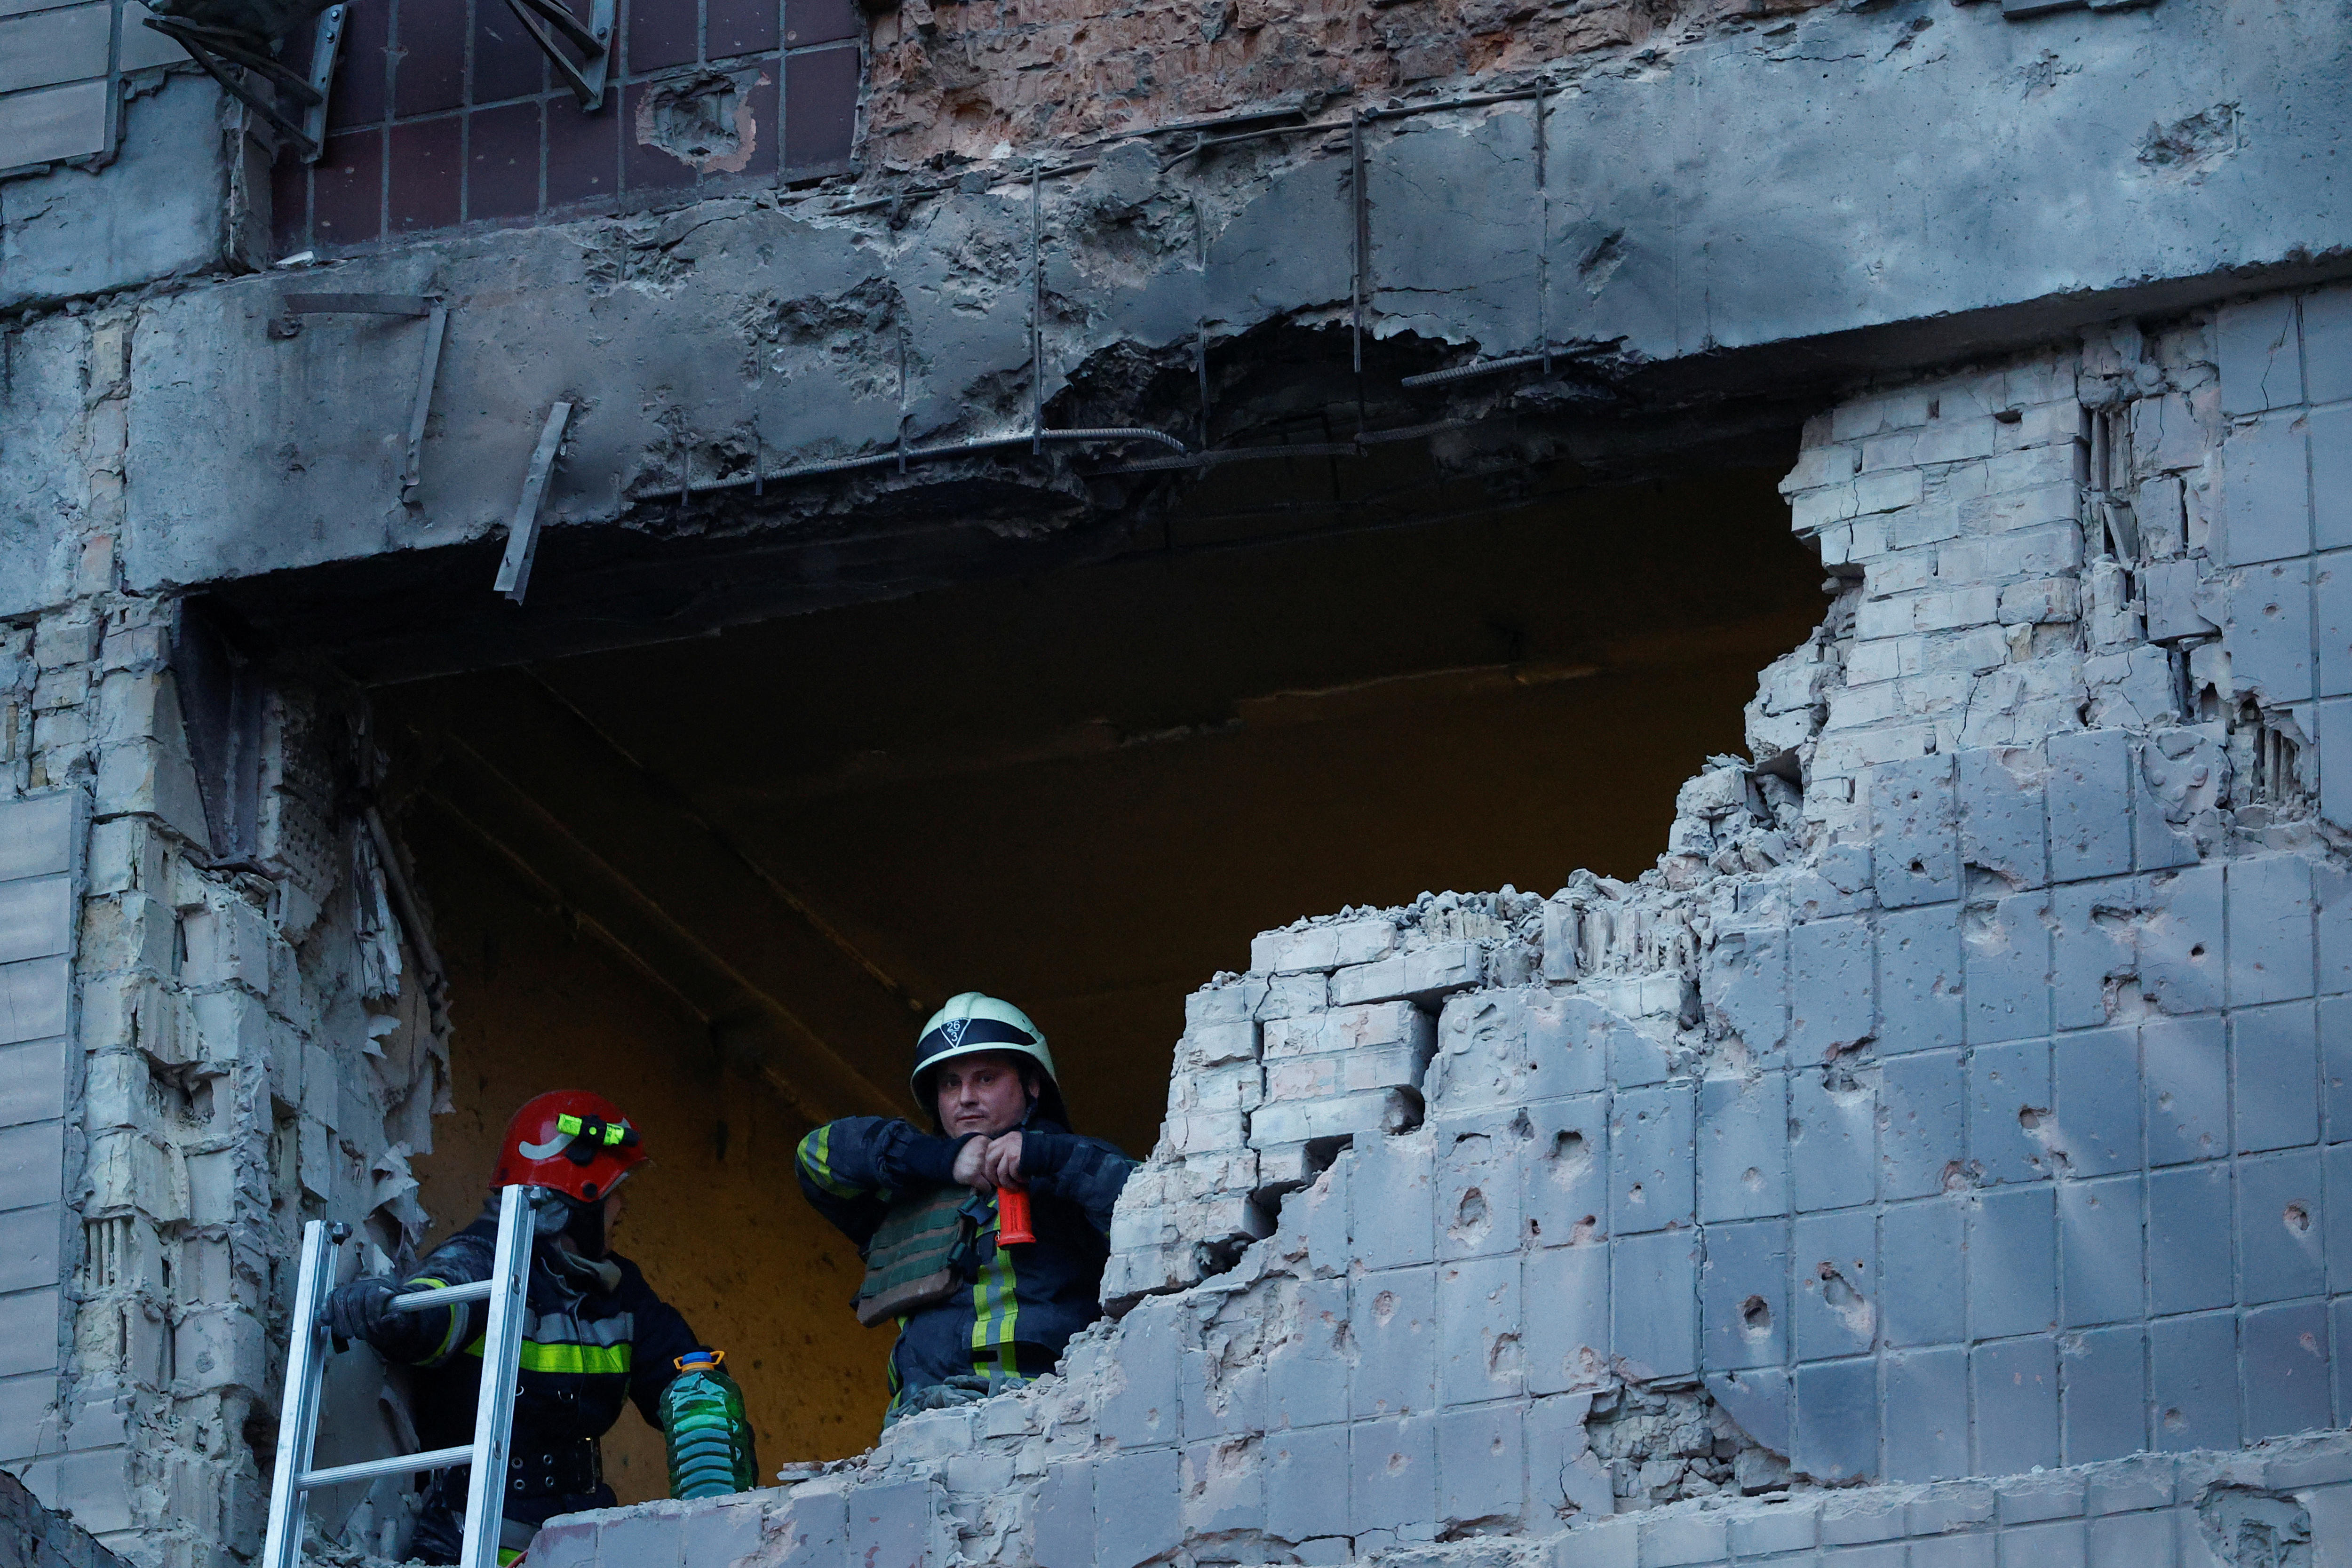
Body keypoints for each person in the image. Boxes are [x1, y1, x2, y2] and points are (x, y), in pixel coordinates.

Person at [323, 1091, 712, 1565]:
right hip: (473, 1540)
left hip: (580, 1538)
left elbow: (683, 1378)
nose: (622, 1207)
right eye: (613, 1193)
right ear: (575, 1202)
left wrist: (715, 1442)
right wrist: (392, 1312)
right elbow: (436, 1308)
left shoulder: (619, 1291)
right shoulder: (486, 1258)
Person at [797, 993, 1136, 1425]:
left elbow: (1160, 1214)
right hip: (919, 1425)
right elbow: (815, 1159)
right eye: (950, 1083)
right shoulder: (908, 1191)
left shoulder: (1077, 1167)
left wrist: (1046, 1156)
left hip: (1045, 1417)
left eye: (987, 1078)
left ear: (1032, 1083)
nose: (966, 1098)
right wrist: (938, 1160)